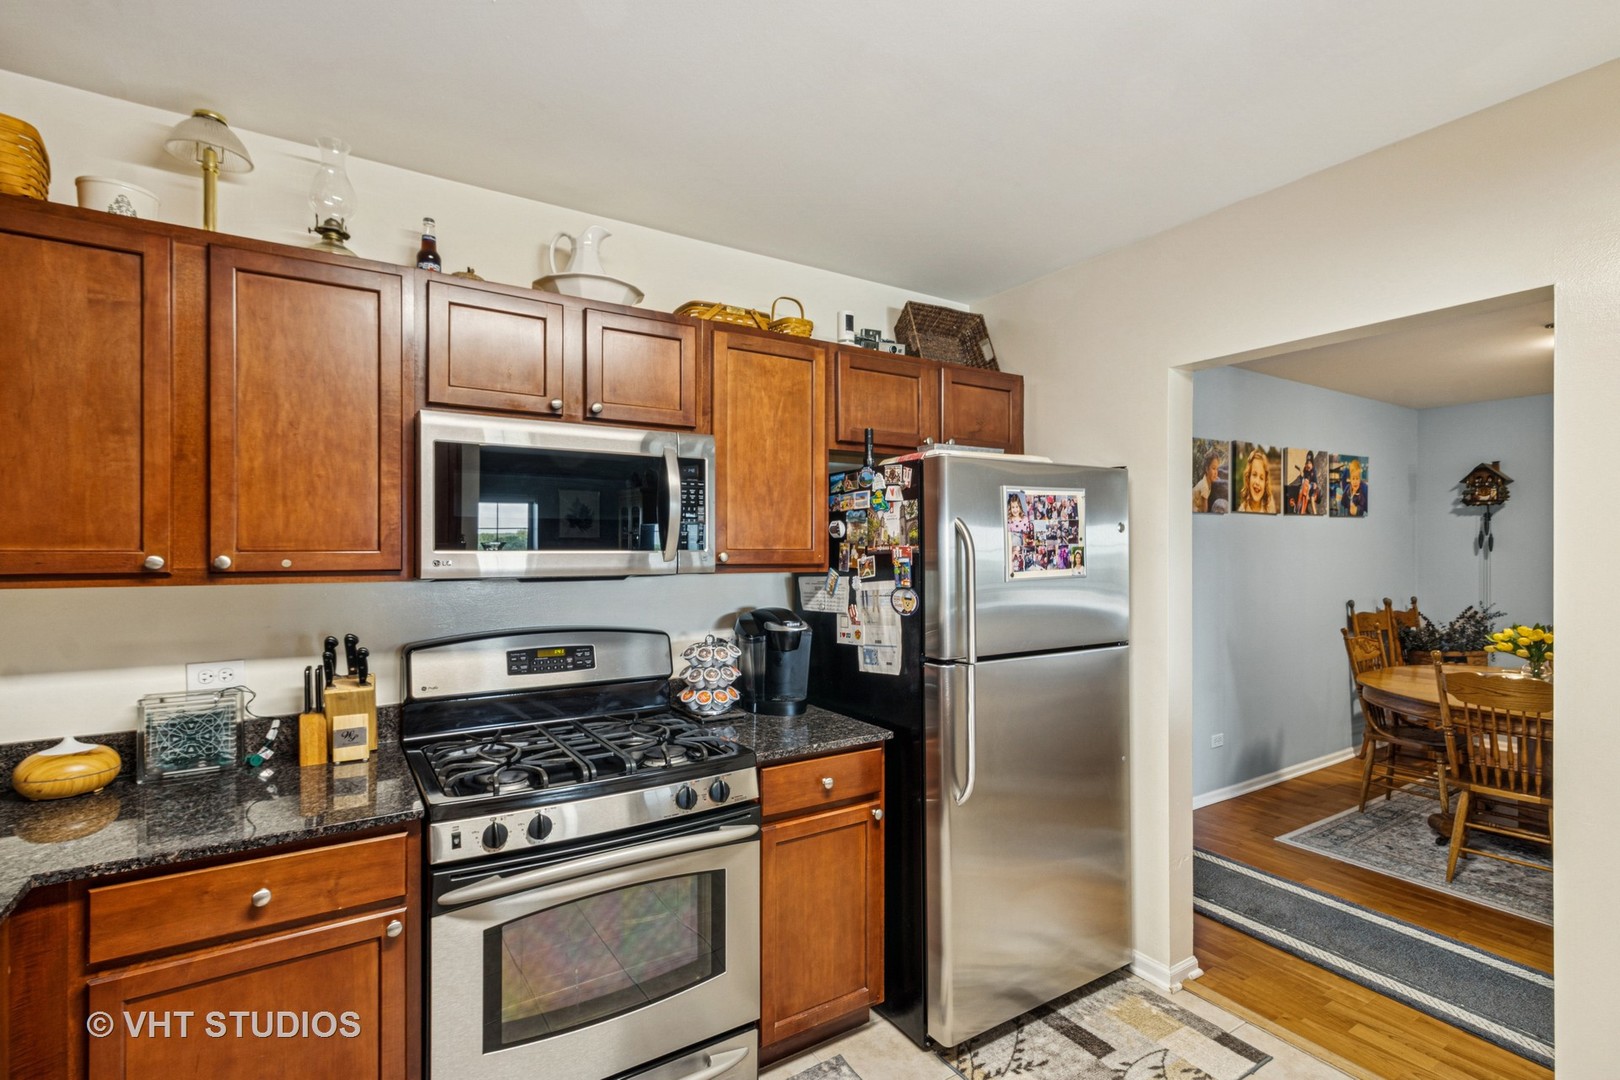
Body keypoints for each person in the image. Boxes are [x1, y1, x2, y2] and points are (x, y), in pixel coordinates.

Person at [1237, 446, 1277, 513]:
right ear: (1248, 478)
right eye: (1254, 475)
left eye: (1261, 478)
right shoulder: (1242, 510)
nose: (1257, 482)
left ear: (1265, 483)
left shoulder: (1270, 505)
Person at [1193, 446, 1225, 513]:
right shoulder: (1204, 486)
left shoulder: (1207, 480)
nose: (1216, 472)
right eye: (1213, 468)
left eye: (1217, 469)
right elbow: (1205, 510)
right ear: (1207, 469)